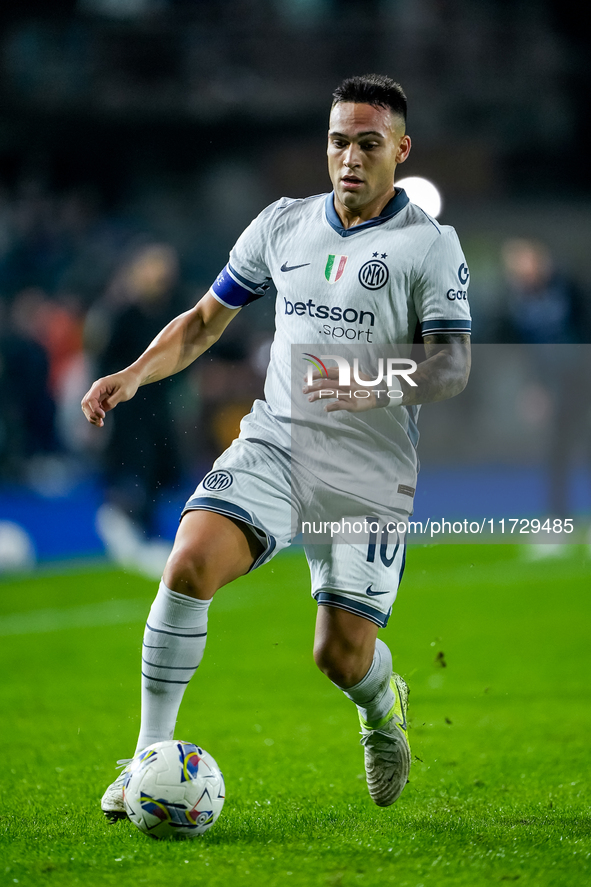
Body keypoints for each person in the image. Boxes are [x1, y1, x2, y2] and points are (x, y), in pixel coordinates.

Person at [82, 74, 471, 815]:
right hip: (277, 442)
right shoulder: (283, 224)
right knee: (190, 560)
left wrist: (367, 381)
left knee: (339, 655)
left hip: (368, 466)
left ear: (400, 150)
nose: (349, 157)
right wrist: (133, 374)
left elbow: (451, 366)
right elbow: (203, 320)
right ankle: (143, 762)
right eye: (337, 142)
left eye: (367, 143)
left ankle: (382, 704)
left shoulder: (429, 245)